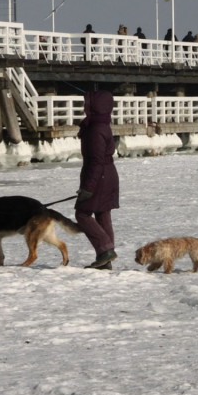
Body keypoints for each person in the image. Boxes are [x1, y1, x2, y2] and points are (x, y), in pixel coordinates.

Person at [74, 90, 120, 270]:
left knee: (82, 213)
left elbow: (96, 161)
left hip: (99, 176)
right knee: (102, 213)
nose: (85, 107)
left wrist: (88, 187)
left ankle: (106, 251)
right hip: (107, 175)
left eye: (87, 103)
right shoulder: (101, 124)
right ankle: (105, 259)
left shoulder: (95, 129)